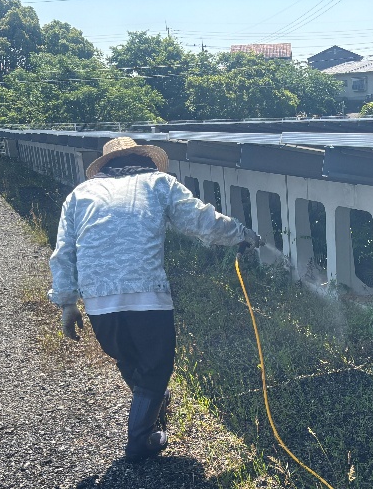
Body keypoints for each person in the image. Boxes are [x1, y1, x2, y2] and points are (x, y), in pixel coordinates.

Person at [49, 136, 262, 461]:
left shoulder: (79, 194)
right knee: (156, 367)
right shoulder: (158, 183)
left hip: (98, 300)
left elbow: (64, 252)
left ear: (106, 167)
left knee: (128, 359)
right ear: (145, 160)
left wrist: (67, 303)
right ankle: (139, 442)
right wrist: (243, 234)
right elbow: (202, 220)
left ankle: (150, 406)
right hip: (147, 294)